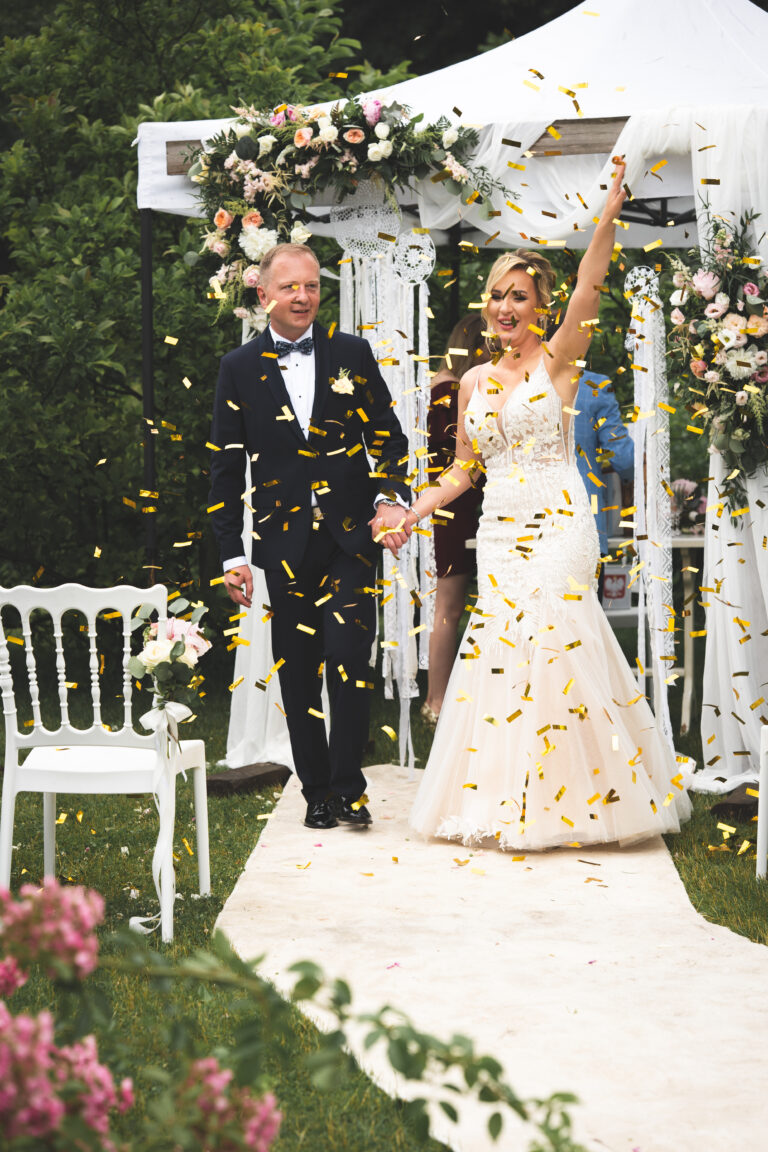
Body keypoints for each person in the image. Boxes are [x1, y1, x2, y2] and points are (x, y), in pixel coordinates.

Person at [392, 161, 691, 850]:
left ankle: (585, 801)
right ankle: (511, 796)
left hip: (558, 523)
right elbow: (462, 471)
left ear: (541, 307)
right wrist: (412, 511)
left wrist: (607, 216)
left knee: (557, 640)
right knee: (504, 654)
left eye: (520, 297)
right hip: (499, 530)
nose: (506, 308)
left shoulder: (560, 361)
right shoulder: (471, 382)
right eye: (498, 295)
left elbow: (590, 282)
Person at [208, 243, 411, 831]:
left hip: (351, 537)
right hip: (284, 544)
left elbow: (388, 438)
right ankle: (316, 790)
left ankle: (349, 788)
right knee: (298, 672)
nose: (303, 297)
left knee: (348, 658)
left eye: (313, 286)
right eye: (290, 287)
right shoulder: (238, 367)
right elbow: (226, 467)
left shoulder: (351, 354)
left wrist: (387, 499)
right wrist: (231, 553)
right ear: (263, 293)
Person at [421, 314, 489, 726]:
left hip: (448, 506)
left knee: (450, 604)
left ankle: (440, 698)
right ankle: (436, 699)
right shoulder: (450, 391)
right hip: (455, 508)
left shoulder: (436, 386)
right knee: (449, 604)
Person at [574, 372, 635, 598]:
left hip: (522, 526)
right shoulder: (594, 386)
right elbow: (623, 458)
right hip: (582, 520)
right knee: (585, 615)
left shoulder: (512, 380)